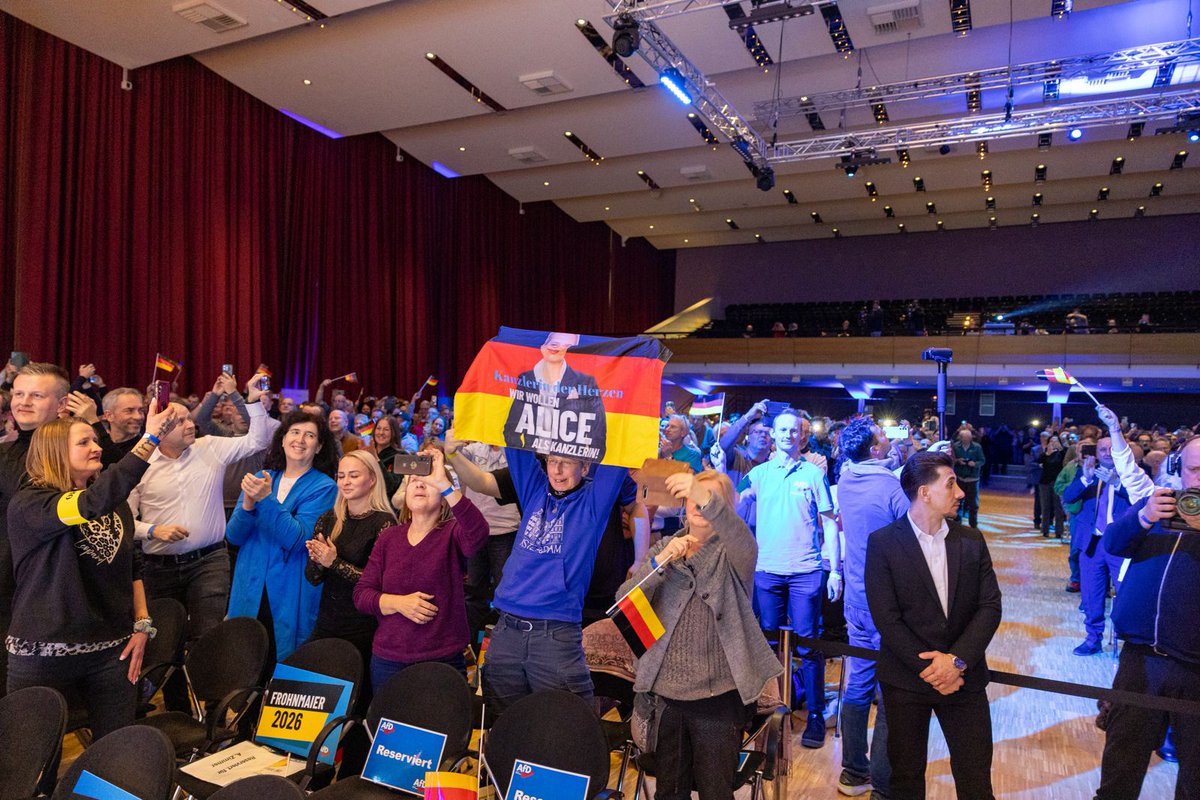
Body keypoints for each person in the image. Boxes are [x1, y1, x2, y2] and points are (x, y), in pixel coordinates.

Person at [6, 400, 181, 739]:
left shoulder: (114, 505)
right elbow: (87, 505)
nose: (96, 447)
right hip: (43, 653)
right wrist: (151, 438)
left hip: (111, 652)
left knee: (115, 750)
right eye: (83, 442)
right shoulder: (32, 504)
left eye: (95, 440)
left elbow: (132, 564)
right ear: (55, 452)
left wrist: (142, 624)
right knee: (29, 758)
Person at [621, 470, 781, 800]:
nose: (700, 504)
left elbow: (743, 539)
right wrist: (660, 562)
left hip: (718, 699)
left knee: (714, 792)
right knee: (670, 792)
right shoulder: (665, 546)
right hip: (667, 697)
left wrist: (704, 495)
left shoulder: (735, 554)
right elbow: (624, 602)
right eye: (693, 496)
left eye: (710, 498)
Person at [126, 372, 277, 712]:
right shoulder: (139, 463)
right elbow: (124, 521)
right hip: (158, 566)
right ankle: (178, 710)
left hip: (208, 560)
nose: (190, 423)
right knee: (166, 640)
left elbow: (258, 440)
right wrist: (153, 530)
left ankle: (213, 712)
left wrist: (250, 399)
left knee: (208, 636)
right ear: (160, 429)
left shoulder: (210, 449)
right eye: (178, 421)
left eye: (188, 417)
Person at [448, 437, 629, 715]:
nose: (556, 470)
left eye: (566, 463)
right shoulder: (534, 489)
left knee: (563, 727)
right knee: (506, 723)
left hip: (555, 635)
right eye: (552, 461)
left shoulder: (594, 502)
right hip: (506, 631)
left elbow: (618, 449)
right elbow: (516, 437)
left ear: (585, 466)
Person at [865, 451, 1002, 800]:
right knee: (906, 780)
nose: (960, 493)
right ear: (924, 492)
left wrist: (955, 662)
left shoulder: (971, 540)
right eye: (951, 483)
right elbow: (886, 617)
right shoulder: (882, 543)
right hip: (907, 680)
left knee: (975, 779)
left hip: (963, 679)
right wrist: (932, 667)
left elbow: (989, 607)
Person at [1093, 437, 1200, 799]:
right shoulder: (1161, 504)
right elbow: (1113, 543)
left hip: (1196, 668)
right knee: (1121, 764)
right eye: (1194, 469)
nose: (1199, 479)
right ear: (1178, 470)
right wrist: (1144, 516)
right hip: (1140, 658)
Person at [741, 409, 840, 749]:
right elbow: (731, 504)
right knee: (768, 643)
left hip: (805, 571)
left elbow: (829, 522)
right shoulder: (757, 474)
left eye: (792, 430)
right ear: (773, 434)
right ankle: (768, 710)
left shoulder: (813, 474)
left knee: (808, 645)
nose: (786, 435)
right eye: (780, 430)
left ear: (802, 434)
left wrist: (835, 569)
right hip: (767, 570)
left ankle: (814, 715)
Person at [353, 449, 487, 688]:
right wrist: (398, 603)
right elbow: (362, 595)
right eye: (414, 480)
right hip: (389, 659)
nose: (420, 484)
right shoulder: (389, 538)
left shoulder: (452, 534)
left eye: (428, 481)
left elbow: (478, 532)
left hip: (441, 659)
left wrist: (444, 482)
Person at [834, 418, 911, 798]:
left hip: (856, 597)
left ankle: (852, 772)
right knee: (891, 686)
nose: (889, 439)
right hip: (888, 600)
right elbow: (913, 528)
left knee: (859, 683)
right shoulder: (890, 486)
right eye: (884, 437)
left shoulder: (847, 478)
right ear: (876, 449)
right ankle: (883, 781)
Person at [226, 411, 338, 663]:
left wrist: (265, 500)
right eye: (295, 432)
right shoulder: (262, 477)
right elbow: (233, 535)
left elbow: (298, 539)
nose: (300, 440)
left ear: (319, 446)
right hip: (250, 581)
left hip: (289, 585)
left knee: (281, 661)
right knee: (246, 659)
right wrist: (248, 506)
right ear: (283, 439)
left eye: (310, 435)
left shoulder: (324, 486)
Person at [0, 362, 71, 694]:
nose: (23, 402)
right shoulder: (7, 451)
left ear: (61, 405)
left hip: (43, 593)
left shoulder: (71, 455)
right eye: (18, 393)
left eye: (36, 395)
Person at [304, 450, 395, 686]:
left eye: (353, 475)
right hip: (327, 620)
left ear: (372, 479)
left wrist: (333, 562)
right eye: (341, 475)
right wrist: (317, 559)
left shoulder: (385, 522)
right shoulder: (327, 519)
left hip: (363, 626)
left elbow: (379, 584)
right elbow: (313, 578)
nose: (345, 481)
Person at [1061, 437, 1132, 656]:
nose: (1107, 453)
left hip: (1120, 544)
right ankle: (1093, 639)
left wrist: (1117, 483)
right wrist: (1085, 478)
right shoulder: (1089, 473)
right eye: (1102, 449)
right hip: (1093, 543)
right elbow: (1068, 496)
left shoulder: (1132, 475)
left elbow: (1143, 499)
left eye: (1112, 449)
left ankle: (1129, 642)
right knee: (1092, 595)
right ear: (1097, 453)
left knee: (1127, 595)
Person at [502, 331, 607, 463]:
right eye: (554, 343)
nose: (558, 348)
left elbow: (598, 433)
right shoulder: (526, 378)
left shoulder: (586, 381)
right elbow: (512, 428)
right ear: (543, 347)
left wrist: (583, 468)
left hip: (570, 467)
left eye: (567, 346)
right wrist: (525, 462)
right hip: (534, 464)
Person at [455, 440, 522, 642]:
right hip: (477, 532)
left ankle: (503, 641)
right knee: (473, 592)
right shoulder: (473, 450)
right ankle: (473, 640)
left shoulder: (516, 451)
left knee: (504, 592)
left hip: (507, 530)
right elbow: (454, 461)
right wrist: (451, 447)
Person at [952, 428, 985, 528]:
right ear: (961, 438)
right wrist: (958, 461)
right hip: (960, 478)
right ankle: (957, 524)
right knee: (958, 502)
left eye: (968, 438)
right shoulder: (955, 446)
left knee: (973, 504)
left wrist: (974, 464)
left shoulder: (977, 447)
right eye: (964, 438)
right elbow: (951, 459)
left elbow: (982, 460)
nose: (966, 439)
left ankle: (973, 525)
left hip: (973, 479)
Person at [1036, 433, 1067, 537]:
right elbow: (1039, 462)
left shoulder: (1063, 453)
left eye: (1056, 441)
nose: (1054, 443)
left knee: (1058, 508)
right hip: (1045, 483)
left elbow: (1066, 461)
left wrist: (1061, 449)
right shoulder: (1045, 454)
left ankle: (1059, 532)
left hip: (1058, 483)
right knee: (1045, 507)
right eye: (1051, 441)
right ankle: (1045, 530)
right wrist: (1047, 454)